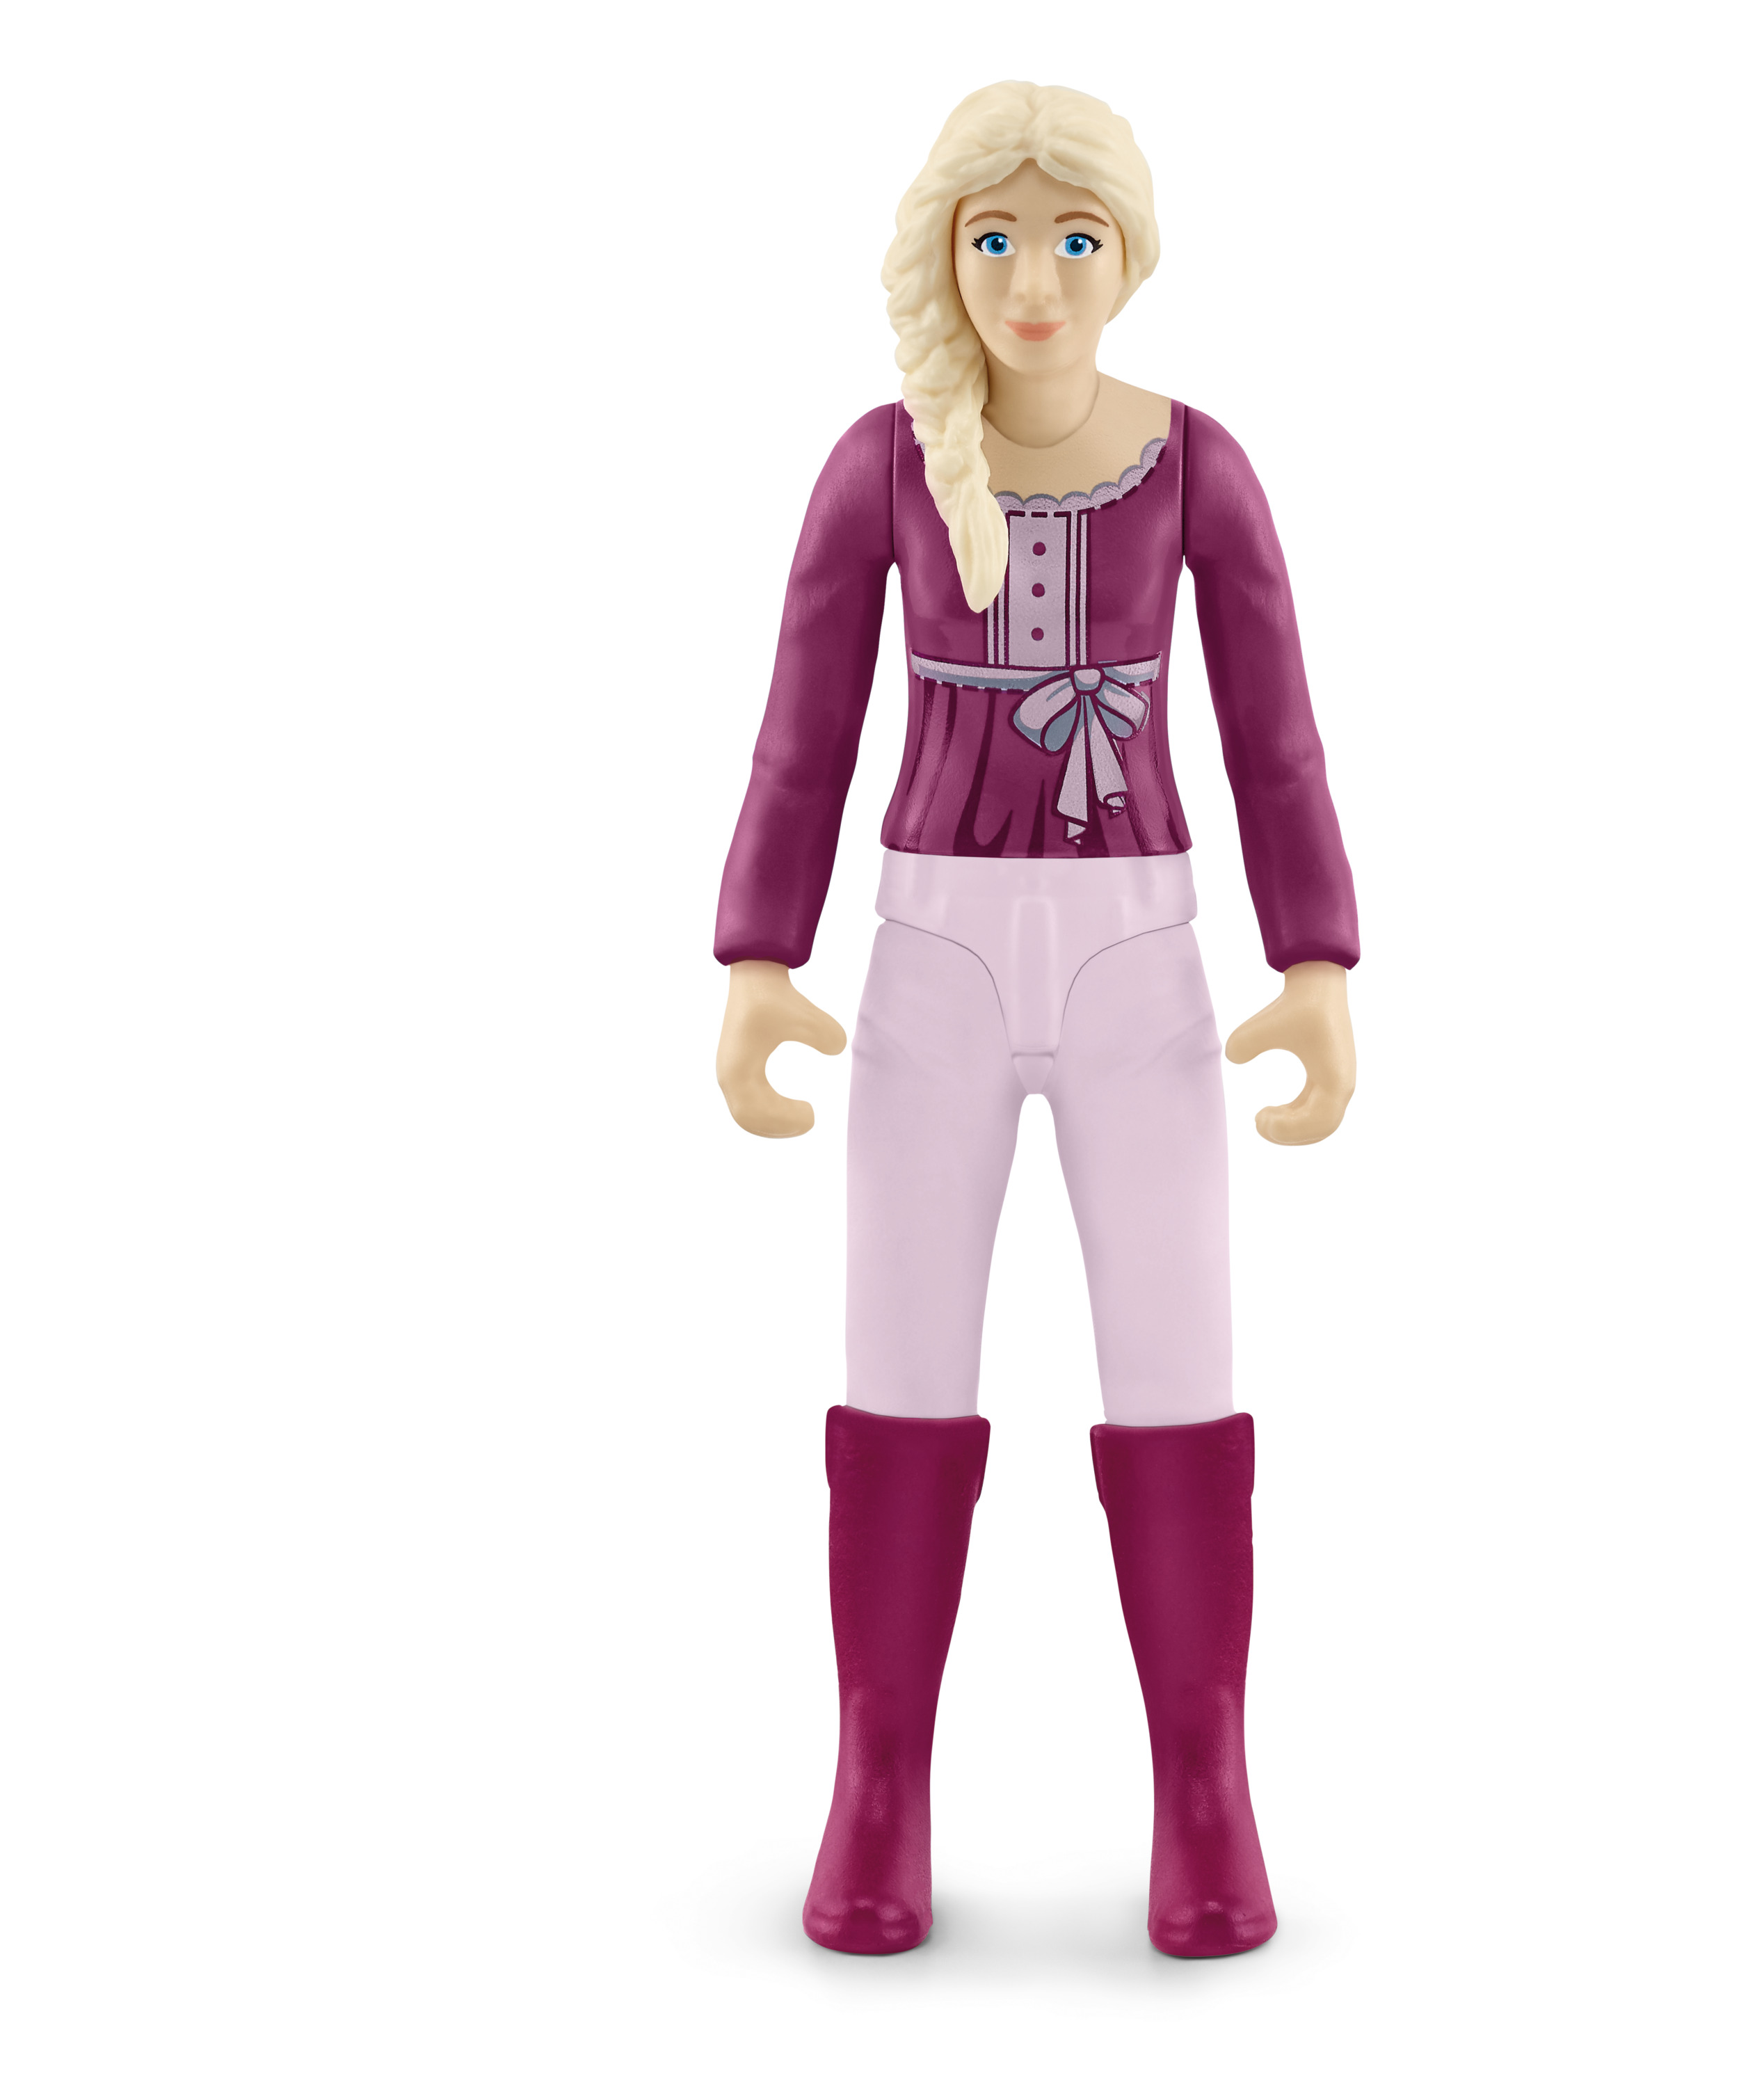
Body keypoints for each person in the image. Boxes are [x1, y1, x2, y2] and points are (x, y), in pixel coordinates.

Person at [713, 81, 1359, 1958]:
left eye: (1074, 239)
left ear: (1130, 256)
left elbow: (1277, 732)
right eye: (994, 237)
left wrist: (1315, 959)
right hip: (929, 954)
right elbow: (803, 726)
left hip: (1142, 957)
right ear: (944, 254)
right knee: (900, 1362)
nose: (1035, 280)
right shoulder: (880, 467)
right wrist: (759, 952)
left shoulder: (1199, 468)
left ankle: (1205, 1784)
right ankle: (879, 1778)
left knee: (1178, 1364)